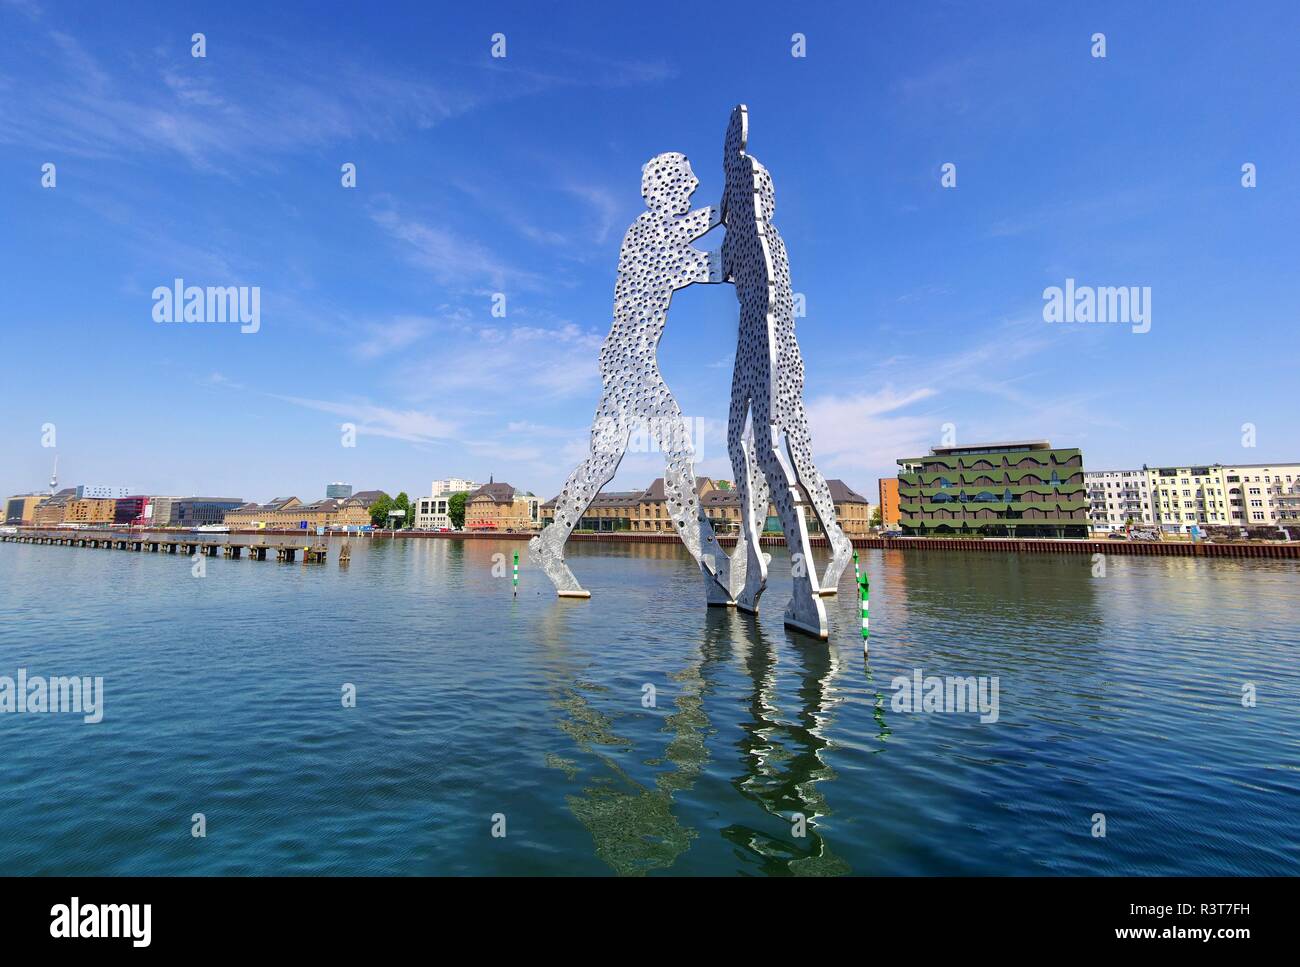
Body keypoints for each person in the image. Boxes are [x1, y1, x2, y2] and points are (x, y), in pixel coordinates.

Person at [531, 152, 732, 600]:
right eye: (686, 179)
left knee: (602, 462)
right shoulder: (646, 232)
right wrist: (730, 208)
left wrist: (728, 219)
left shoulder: (659, 239)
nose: (694, 184)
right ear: (663, 186)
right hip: (630, 364)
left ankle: (550, 542)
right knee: (679, 452)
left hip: (625, 363)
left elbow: (703, 261)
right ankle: (717, 568)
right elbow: (707, 264)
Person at [720, 105, 847, 638]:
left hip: (767, 340)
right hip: (768, 343)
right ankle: (821, 552)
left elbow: (756, 290)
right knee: (759, 445)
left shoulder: (759, 238)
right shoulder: (755, 236)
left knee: (766, 447)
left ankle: (801, 585)